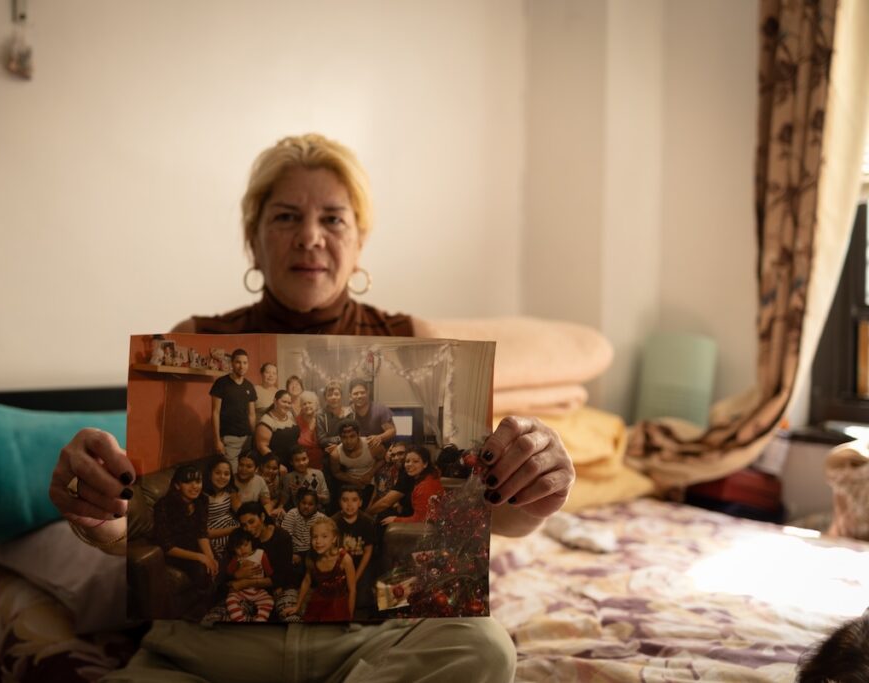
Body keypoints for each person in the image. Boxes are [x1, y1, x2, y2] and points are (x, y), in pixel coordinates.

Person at [50, 133, 574, 683]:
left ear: (360, 240)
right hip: (214, 647)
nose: (309, 237)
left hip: (373, 641)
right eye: (284, 218)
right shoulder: (196, 341)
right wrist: (96, 508)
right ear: (253, 240)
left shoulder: (413, 343)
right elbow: (143, 523)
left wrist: (538, 490)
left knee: (485, 649)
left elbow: (483, 511)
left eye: (333, 219)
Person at [150, 464, 218, 619]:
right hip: (175, 552)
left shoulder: (202, 500)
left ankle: (212, 606)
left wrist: (210, 557)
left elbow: (202, 532)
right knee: (202, 569)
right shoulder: (163, 506)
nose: (195, 487)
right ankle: (200, 613)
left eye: (198, 481)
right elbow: (166, 546)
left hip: (193, 545)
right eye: (188, 482)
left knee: (216, 563)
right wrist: (201, 557)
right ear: (177, 485)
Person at [283, 517, 355, 622]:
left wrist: (350, 617)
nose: (318, 541)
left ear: (334, 539)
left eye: (324, 536)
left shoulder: (345, 559)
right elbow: (307, 580)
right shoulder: (311, 557)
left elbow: (352, 590)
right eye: (314, 537)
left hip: (338, 602)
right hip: (319, 600)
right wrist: (297, 606)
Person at [208, 348, 257, 471]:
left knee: (246, 474)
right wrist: (217, 440)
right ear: (232, 363)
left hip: (247, 438)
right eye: (238, 362)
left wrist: (254, 436)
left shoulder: (249, 386)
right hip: (229, 439)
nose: (242, 366)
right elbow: (215, 413)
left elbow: (252, 414)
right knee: (232, 474)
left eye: (245, 363)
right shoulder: (221, 383)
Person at [332, 485, 377, 619]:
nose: (349, 504)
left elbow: (368, 552)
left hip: (361, 564)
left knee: (362, 600)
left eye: (354, 500)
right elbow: (331, 553)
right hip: (340, 566)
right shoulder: (333, 522)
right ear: (340, 502)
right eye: (345, 500)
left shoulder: (367, 522)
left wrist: (355, 578)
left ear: (360, 502)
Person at [223, 528, 275, 623]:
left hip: (258, 589)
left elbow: (270, 573)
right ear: (233, 549)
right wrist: (236, 571)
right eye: (238, 548)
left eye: (245, 545)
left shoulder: (260, 554)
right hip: (241, 591)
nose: (242, 549)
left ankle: (260, 619)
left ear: (251, 542)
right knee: (230, 599)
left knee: (269, 601)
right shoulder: (236, 558)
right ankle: (240, 620)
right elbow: (228, 573)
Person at [380, 446, 443, 524]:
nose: (409, 464)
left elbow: (422, 520)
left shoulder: (425, 487)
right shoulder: (426, 476)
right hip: (425, 520)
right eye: (407, 461)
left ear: (425, 464)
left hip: (427, 528)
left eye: (415, 461)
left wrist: (395, 520)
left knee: (383, 519)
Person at [330, 418, 384, 506]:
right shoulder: (335, 454)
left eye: (352, 436)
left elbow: (383, 459)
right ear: (339, 437)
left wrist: (370, 474)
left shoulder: (372, 446)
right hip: (350, 485)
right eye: (344, 437)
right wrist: (353, 481)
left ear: (358, 434)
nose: (348, 441)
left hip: (373, 483)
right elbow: (336, 472)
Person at [202, 457, 239, 561]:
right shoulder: (203, 496)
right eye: (217, 473)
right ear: (210, 474)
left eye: (226, 474)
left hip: (233, 526)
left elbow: (240, 511)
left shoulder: (230, 491)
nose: (222, 477)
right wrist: (233, 530)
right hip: (215, 533)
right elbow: (203, 532)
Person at [281, 489, 328, 566]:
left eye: (310, 504)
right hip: (294, 551)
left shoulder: (321, 518)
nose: (306, 506)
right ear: (299, 503)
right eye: (303, 503)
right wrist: (291, 554)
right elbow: (284, 540)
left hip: (314, 552)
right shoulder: (292, 514)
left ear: (316, 506)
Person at [348, 379, 395, 450]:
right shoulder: (348, 412)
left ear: (368, 392)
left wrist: (379, 437)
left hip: (379, 451)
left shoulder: (380, 409)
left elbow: (392, 430)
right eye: (355, 393)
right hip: (356, 452)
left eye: (362, 392)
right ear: (350, 396)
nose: (359, 396)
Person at [253, 389, 300, 460]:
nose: (287, 405)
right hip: (277, 464)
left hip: (293, 461)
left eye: (289, 403)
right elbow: (262, 447)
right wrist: (277, 464)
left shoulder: (290, 415)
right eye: (284, 402)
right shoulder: (267, 420)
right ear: (275, 401)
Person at [282, 444, 330, 510]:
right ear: (291, 462)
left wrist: (307, 493)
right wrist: (280, 508)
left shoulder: (318, 474)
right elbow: (284, 498)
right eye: (297, 460)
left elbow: (326, 499)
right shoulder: (289, 478)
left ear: (308, 458)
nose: (301, 463)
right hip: (298, 513)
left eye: (304, 459)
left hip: (318, 511)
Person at [296, 390, 326, 470]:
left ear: (316, 404)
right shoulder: (297, 420)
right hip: (303, 462)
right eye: (304, 404)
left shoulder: (322, 418)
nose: (307, 406)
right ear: (301, 406)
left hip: (322, 461)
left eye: (310, 403)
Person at [260, 452, 287, 521]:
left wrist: (280, 507)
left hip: (276, 505)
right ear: (262, 466)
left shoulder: (280, 477)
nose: (270, 471)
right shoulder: (257, 479)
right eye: (267, 467)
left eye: (274, 468)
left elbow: (283, 494)